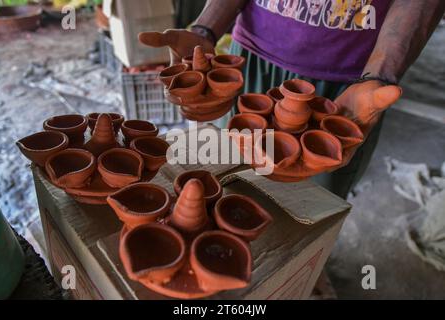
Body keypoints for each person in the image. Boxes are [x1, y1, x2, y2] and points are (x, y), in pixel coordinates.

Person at [145, 0, 445, 198]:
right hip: (250, 61)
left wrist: (379, 75)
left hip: (347, 87)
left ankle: (303, 273)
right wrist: (206, 30)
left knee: (313, 201)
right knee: (231, 181)